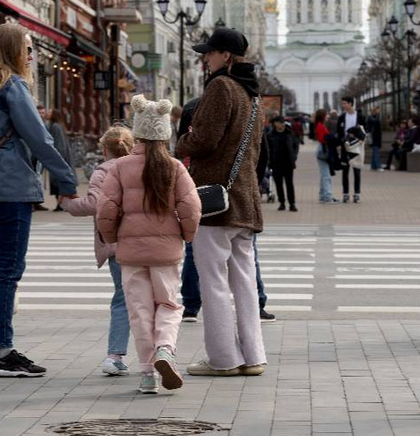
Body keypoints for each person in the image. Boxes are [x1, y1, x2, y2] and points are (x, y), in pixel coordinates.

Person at [0, 22, 78, 378]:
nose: (31, 55)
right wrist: (66, 179)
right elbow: (40, 139)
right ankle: (2, 350)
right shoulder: (12, 86)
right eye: (27, 48)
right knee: (8, 271)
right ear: (13, 50)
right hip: (10, 186)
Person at [176, 27, 268, 377]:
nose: (205, 58)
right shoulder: (253, 94)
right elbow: (258, 151)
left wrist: (184, 139)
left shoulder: (221, 87)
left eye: (210, 53)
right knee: (243, 280)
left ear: (226, 56)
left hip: (214, 200)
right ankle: (253, 356)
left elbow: (204, 139)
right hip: (244, 199)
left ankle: (223, 359)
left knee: (212, 280)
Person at [96, 95, 202, 394]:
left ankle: (147, 374)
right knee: (168, 304)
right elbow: (191, 207)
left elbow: (106, 208)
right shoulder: (175, 167)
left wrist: (112, 237)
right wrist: (186, 235)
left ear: (138, 132)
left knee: (139, 310)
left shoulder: (119, 167)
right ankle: (166, 349)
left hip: (130, 252)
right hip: (166, 251)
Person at [62, 124, 135, 377]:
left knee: (122, 299)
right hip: (146, 243)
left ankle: (115, 356)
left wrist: (68, 204)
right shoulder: (143, 167)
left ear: (104, 149)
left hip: (116, 244)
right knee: (150, 299)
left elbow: (94, 203)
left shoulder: (103, 171)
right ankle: (159, 351)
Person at [336, 96, 366, 203]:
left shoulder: (360, 116)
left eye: (344, 103)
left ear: (350, 104)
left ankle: (357, 194)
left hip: (356, 147)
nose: (343, 105)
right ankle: (345, 194)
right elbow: (339, 132)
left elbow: (364, 131)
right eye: (342, 103)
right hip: (345, 146)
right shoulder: (341, 117)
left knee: (357, 171)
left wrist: (360, 139)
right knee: (345, 171)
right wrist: (339, 145)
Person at [267, 115, 299, 211]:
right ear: (275, 124)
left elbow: (296, 145)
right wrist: (269, 160)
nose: (282, 124)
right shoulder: (270, 135)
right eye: (280, 123)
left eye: (283, 122)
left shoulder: (289, 133)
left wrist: (294, 156)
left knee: (289, 184)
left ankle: (292, 204)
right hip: (276, 163)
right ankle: (282, 203)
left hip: (288, 163)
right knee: (278, 184)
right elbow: (268, 149)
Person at [45, 108, 73, 211]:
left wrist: (57, 158)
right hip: (58, 157)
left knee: (57, 182)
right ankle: (60, 204)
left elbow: (60, 144)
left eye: (49, 112)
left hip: (59, 158)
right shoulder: (54, 125)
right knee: (57, 182)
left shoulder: (55, 126)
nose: (47, 113)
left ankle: (61, 204)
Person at [314, 108, 339, 204]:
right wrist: (331, 138)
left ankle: (323, 195)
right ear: (323, 116)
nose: (328, 116)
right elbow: (321, 139)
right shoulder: (320, 126)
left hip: (323, 149)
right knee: (326, 175)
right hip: (323, 150)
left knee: (324, 174)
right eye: (326, 115)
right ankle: (328, 196)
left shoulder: (321, 125)